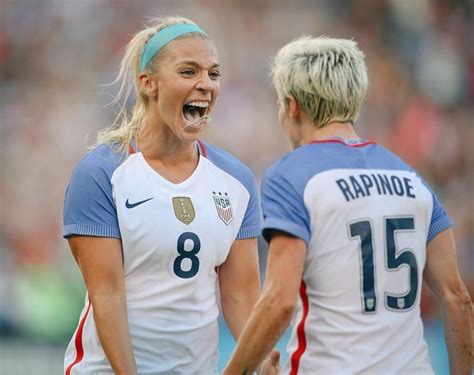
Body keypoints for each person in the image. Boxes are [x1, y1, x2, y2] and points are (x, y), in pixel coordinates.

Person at [223, 36, 473, 374]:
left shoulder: (291, 174)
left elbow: (278, 302)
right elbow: (457, 299)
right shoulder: (412, 179)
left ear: (293, 106)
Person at [63, 16, 270, 374]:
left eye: (214, 74)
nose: (206, 84)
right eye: (189, 72)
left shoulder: (236, 180)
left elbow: (240, 296)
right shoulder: (102, 173)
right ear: (148, 83)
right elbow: (108, 296)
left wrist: (263, 359)